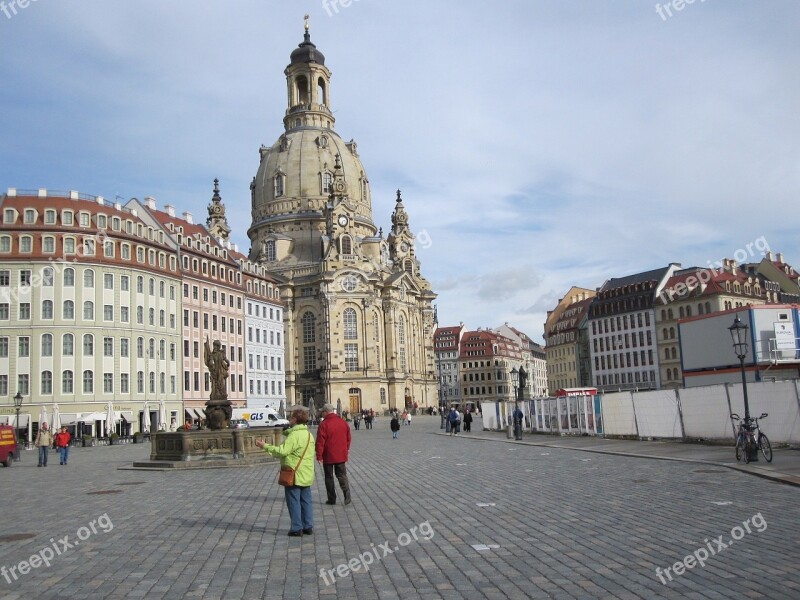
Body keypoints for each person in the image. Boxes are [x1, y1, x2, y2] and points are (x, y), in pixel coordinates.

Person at [256, 408, 315, 536]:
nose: (289, 420)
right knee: (306, 501)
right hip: (307, 472)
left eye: (291, 418)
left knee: (293, 501)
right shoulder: (309, 434)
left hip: (294, 473)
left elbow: (282, 451)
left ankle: (296, 528)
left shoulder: (295, 435)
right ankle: (308, 525)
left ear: (294, 419)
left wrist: (265, 446)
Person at [316, 404, 352, 506]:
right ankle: (347, 495)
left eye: (323, 411)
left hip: (328, 455)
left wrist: (319, 456)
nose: (322, 413)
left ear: (326, 412)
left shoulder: (324, 424)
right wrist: (345, 449)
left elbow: (320, 442)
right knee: (342, 475)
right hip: (341, 454)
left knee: (329, 477)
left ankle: (332, 498)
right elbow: (348, 438)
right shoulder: (342, 422)